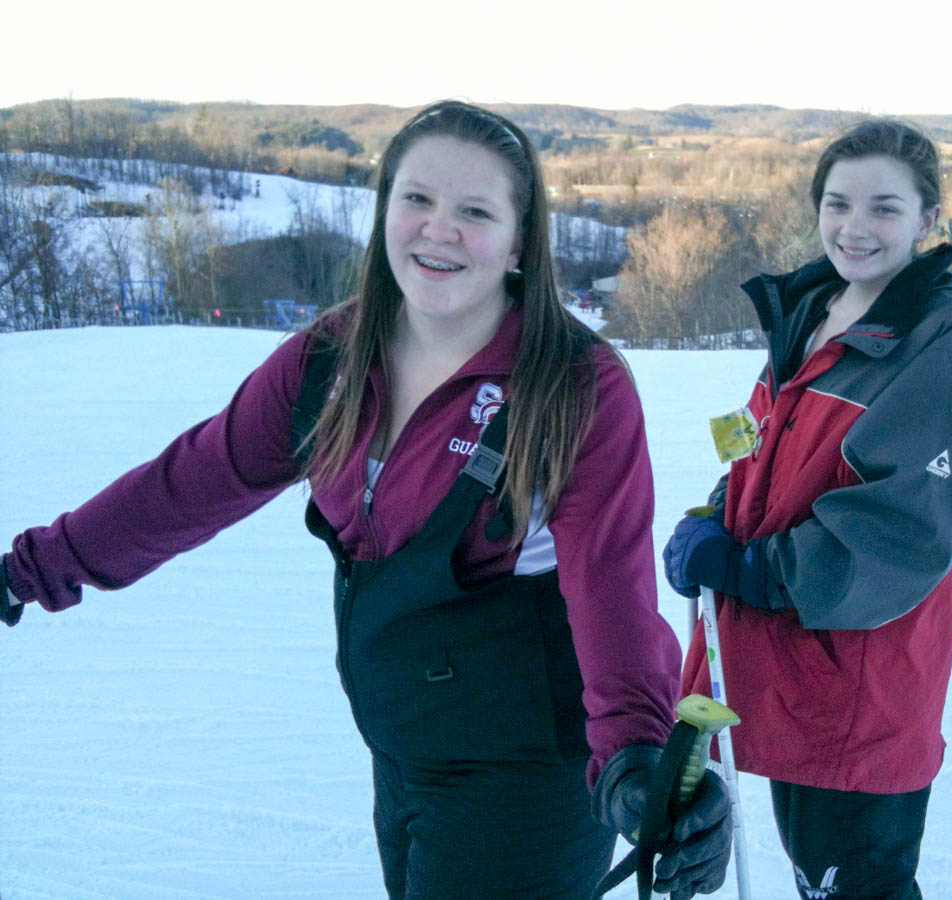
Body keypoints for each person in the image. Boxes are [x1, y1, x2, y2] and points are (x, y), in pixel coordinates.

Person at [2, 101, 731, 900]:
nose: (437, 230)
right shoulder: (329, 361)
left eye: (475, 211)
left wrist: (634, 753)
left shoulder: (574, 385)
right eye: (416, 199)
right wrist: (32, 569)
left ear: (520, 239)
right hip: (401, 754)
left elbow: (610, 590)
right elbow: (189, 482)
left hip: (525, 773)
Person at [662, 119, 952, 900]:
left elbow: (903, 526)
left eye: (885, 207)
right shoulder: (815, 308)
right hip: (786, 666)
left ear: (927, 220)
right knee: (817, 879)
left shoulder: (942, 334)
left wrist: (753, 568)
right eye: (837, 203)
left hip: (859, 680)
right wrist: (716, 515)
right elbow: (764, 445)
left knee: (858, 887)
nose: (855, 227)